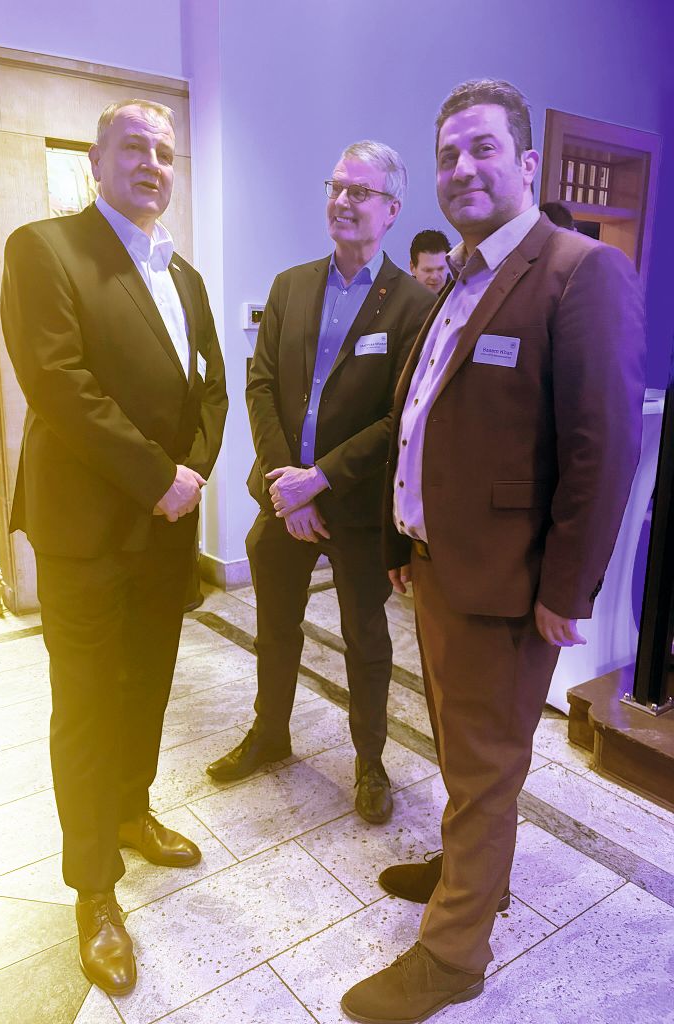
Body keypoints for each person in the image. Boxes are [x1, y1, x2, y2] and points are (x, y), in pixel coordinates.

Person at [342, 78, 644, 1023]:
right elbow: (423, 417)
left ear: (527, 163)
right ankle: (472, 870)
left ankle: (454, 954)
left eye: (482, 148)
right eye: (447, 155)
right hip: (440, 569)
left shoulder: (580, 271)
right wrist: (402, 535)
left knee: (484, 768)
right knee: (462, 754)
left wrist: (567, 589)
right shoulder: (462, 277)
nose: (462, 168)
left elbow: (602, 447)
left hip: (509, 587)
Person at [1, 99, 227, 996]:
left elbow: (212, 388)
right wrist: (156, 476)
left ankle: (132, 812)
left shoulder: (187, 277)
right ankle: (94, 887)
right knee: (88, 704)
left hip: (165, 528)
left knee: (148, 684)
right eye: (133, 146)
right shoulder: (45, 249)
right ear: (94, 162)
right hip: (87, 532)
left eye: (165, 152)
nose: (152, 164)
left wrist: (193, 473)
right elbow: (58, 383)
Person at [206, 141, 435, 823]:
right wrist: (288, 487)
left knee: (366, 640)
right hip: (285, 502)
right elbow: (261, 385)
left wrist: (321, 481)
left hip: (357, 509)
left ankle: (370, 763)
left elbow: (401, 418)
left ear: (391, 209)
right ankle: (270, 733)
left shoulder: (413, 305)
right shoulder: (291, 286)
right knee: (275, 627)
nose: (342, 200)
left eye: (360, 191)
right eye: (336, 186)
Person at [409, 229, 451, 293]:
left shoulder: (464, 296)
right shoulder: (398, 296)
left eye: (440, 269)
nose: (435, 277)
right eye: (428, 270)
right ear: (412, 268)